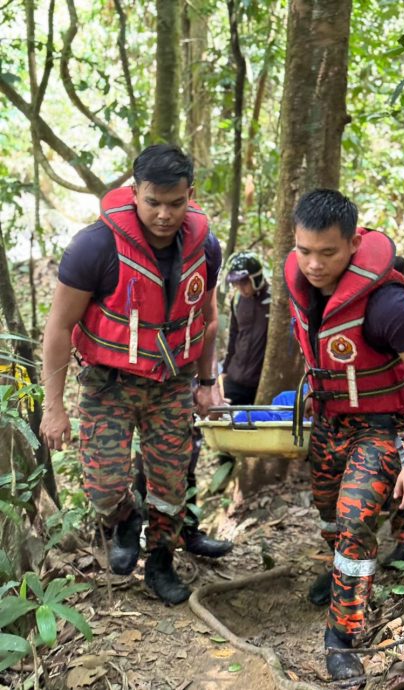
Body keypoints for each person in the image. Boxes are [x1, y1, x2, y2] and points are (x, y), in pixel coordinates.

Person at [40, 144, 226, 605]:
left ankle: (160, 562)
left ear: (190, 195)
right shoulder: (96, 246)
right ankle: (125, 517)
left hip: (173, 382)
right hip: (109, 383)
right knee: (102, 488)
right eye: (153, 202)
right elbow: (59, 327)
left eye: (176, 203)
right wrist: (54, 406)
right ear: (134, 191)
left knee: (170, 484)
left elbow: (205, 319)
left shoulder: (205, 246)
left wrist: (206, 383)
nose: (164, 214)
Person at [284, 189, 404, 680]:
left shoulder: (387, 306)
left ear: (355, 243)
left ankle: (342, 636)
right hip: (330, 423)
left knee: (355, 520)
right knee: (330, 516)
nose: (313, 264)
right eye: (304, 250)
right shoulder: (298, 280)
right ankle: (339, 573)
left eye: (328, 253)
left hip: (381, 427)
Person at [221, 251, 271, 405]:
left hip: (261, 382)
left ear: (255, 277)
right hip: (235, 377)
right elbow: (234, 336)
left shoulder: (274, 300)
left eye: (244, 283)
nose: (240, 288)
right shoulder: (237, 300)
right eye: (236, 283)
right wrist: (224, 370)